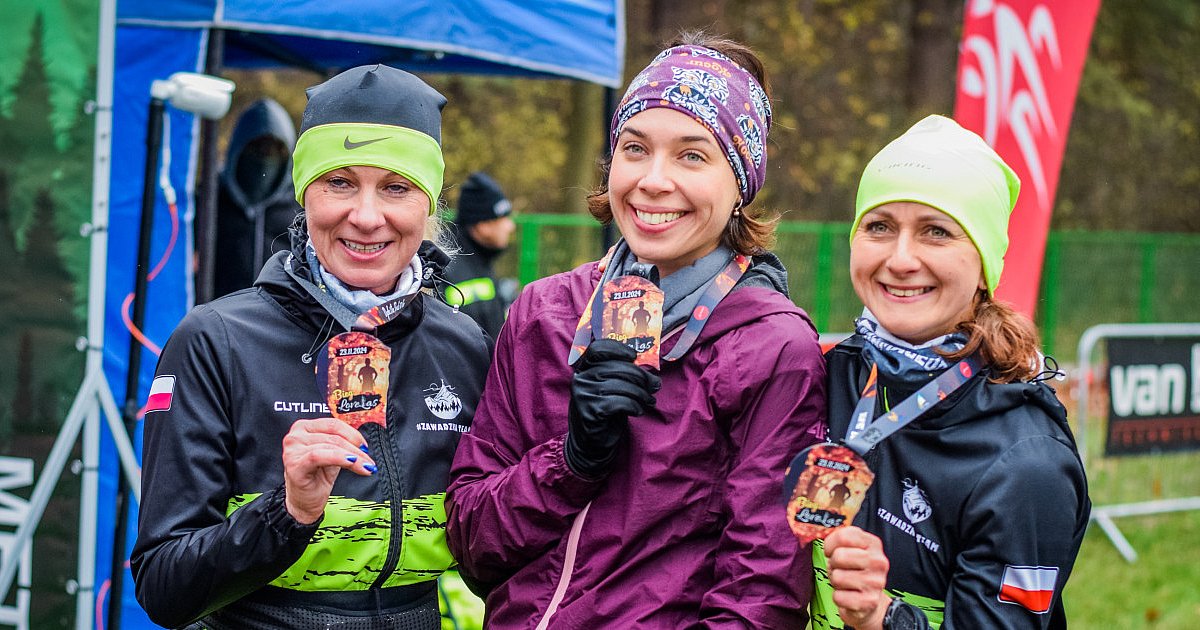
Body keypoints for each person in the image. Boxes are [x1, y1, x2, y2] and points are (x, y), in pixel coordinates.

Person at [446, 33, 826, 628]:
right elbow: (472, 546)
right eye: (635, 148)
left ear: (741, 182)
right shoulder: (544, 312)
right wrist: (570, 462)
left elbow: (761, 597)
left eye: (692, 155)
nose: (652, 180)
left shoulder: (774, 348)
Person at [131, 64, 491, 629]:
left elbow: (500, 558)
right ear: (304, 195)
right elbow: (163, 588)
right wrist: (289, 512)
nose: (366, 217)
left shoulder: (465, 345)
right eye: (339, 182)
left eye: (396, 187)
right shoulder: (215, 341)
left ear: (429, 207)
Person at [815, 115, 1089, 630]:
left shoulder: (1027, 464)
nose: (900, 259)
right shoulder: (829, 377)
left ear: (984, 268)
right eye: (879, 227)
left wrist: (882, 617)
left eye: (936, 232)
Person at [212, 97, 302, 298]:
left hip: (279, 322)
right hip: (214, 319)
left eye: (275, 150)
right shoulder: (209, 201)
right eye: (257, 148)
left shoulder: (301, 211)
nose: (265, 159)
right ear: (239, 149)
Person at [442, 171, 516, 338]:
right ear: (483, 226)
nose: (510, 226)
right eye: (503, 218)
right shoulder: (447, 267)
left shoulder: (481, 258)